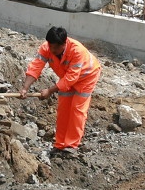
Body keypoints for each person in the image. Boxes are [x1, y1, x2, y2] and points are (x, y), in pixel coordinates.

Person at [20, 27, 102, 155]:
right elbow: (36, 66)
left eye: (55, 48)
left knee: (77, 109)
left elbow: (72, 77)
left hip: (87, 76)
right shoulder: (47, 47)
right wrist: (25, 88)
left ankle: (71, 145)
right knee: (64, 109)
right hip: (65, 78)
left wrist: (50, 90)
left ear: (64, 44)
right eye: (50, 46)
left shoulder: (76, 50)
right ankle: (60, 144)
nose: (52, 50)